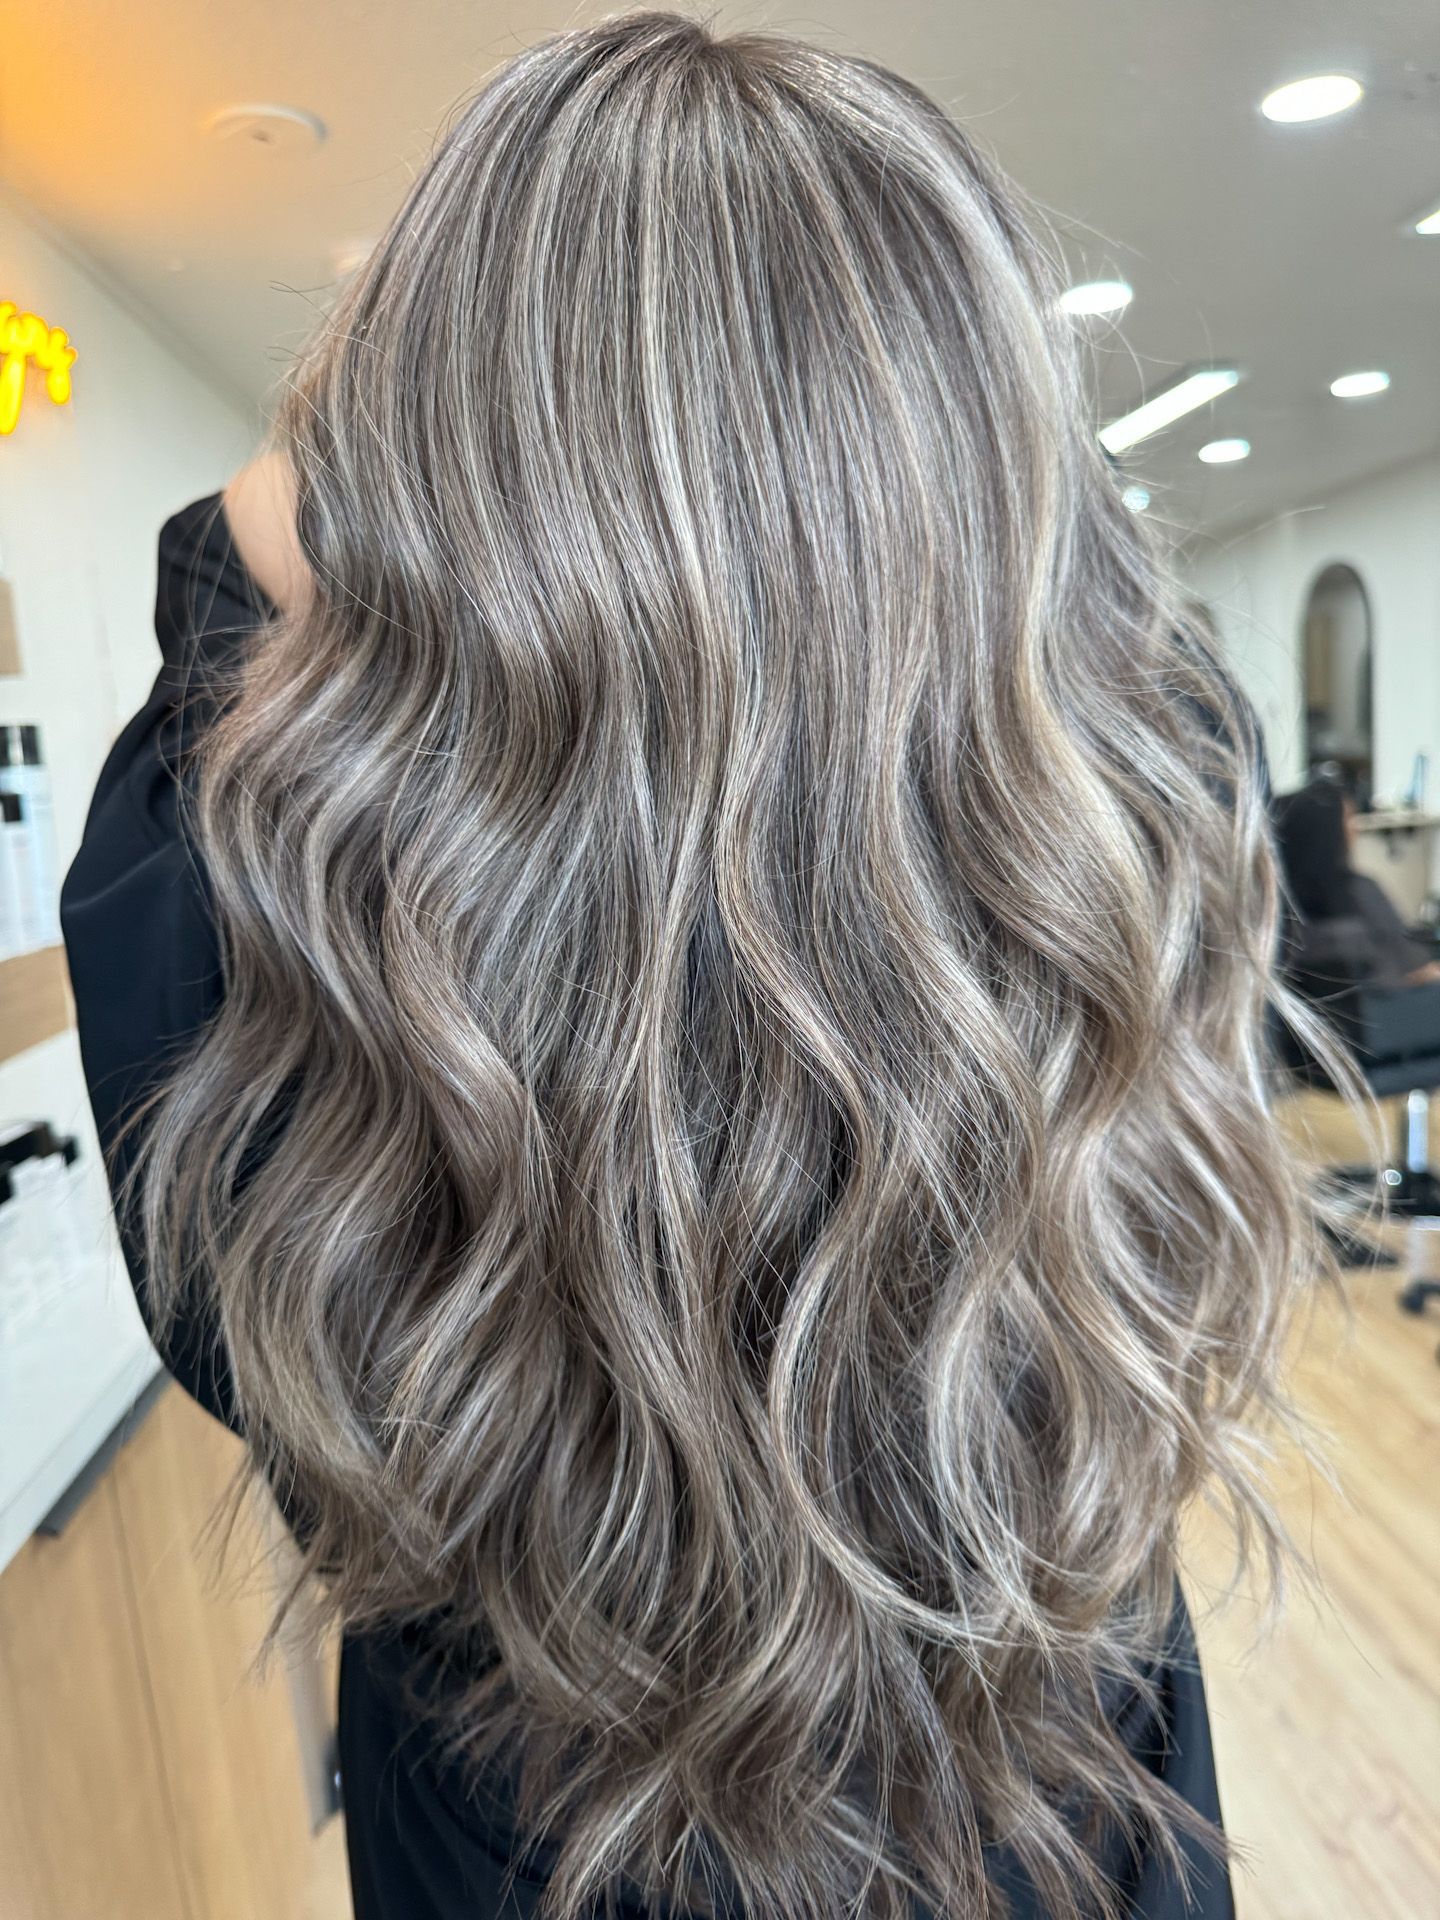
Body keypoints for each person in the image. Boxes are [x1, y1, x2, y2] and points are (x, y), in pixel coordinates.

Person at [60, 15, 1326, 1920]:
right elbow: (1152, 687)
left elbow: (221, 623)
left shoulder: (261, 924)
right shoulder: (1123, 866)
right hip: (1057, 1817)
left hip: (532, 1855)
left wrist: (335, 439)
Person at [1272, 776, 1440, 990]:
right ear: (1325, 830)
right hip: (1397, 1007)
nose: (1356, 829)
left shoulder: (1279, 907)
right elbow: (1406, 970)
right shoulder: (1361, 893)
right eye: (1349, 818)